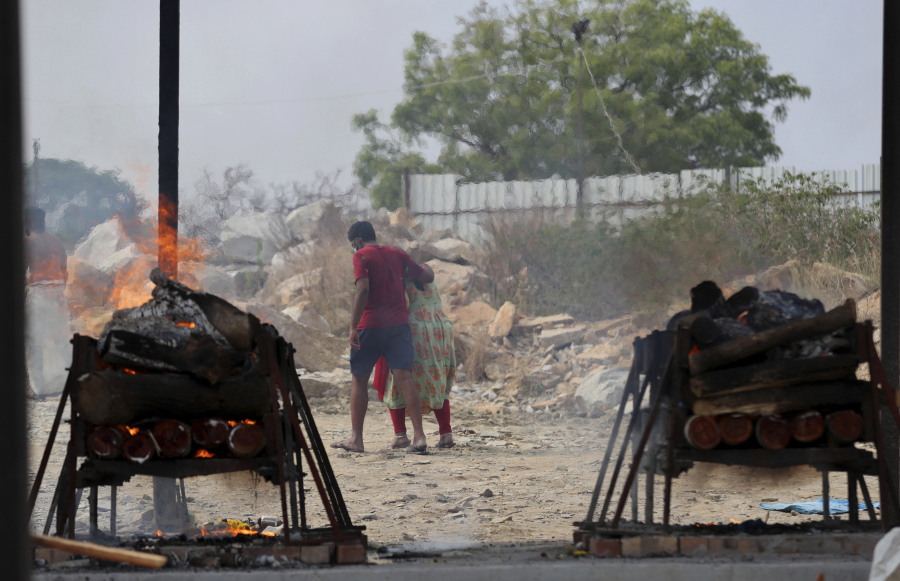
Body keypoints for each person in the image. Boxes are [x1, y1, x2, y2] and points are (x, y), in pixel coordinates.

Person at [331, 220, 435, 454]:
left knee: (359, 379)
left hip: (371, 325)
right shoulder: (398, 254)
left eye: (352, 245)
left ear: (357, 241)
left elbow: (363, 289)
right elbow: (425, 276)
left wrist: (353, 327)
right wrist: (429, 267)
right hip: (399, 325)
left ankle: (356, 439)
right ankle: (419, 437)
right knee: (405, 378)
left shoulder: (361, 257)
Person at [373, 276, 457, 449]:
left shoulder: (400, 281)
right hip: (440, 330)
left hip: (415, 331)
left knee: (396, 380)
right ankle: (446, 434)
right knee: (437, 380)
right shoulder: (427, 277)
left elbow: (397, 309)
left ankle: (400, 435)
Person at [24, 206, 72, 397]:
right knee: (60, 340)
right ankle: (71, 382)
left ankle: (38, 388)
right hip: (58, 293)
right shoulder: (56, 242)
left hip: (39, 294)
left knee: (34, 341)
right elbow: (64, 271)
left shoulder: (28, 243)